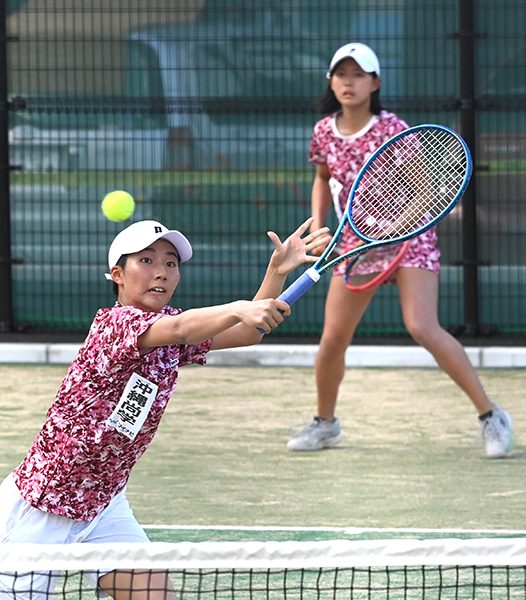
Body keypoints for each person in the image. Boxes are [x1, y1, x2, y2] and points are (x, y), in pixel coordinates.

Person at [0, 217, 330, 600]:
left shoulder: (169, 328)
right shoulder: (116, 325)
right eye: (147, 261)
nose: (162, 272)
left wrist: (275, 273)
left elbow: (247, 331)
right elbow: (183, 329)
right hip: (43, 508)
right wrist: (239, 307)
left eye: (171, 263)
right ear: (117, 275)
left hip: (103, 504)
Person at [287, 43, 515, 458]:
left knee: (421, 326)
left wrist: (396, 228)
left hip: (410, 238)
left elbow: (425, 191)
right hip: (357, 243)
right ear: (331, 81)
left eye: (359, 75)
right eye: (342, 74)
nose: (349, 83)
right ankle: (325, 424)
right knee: (333, 338)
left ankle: (491, 416)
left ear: (375, 82)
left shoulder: (393, 128)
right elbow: (322, 178)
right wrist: (320, 225)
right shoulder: (323, 130)